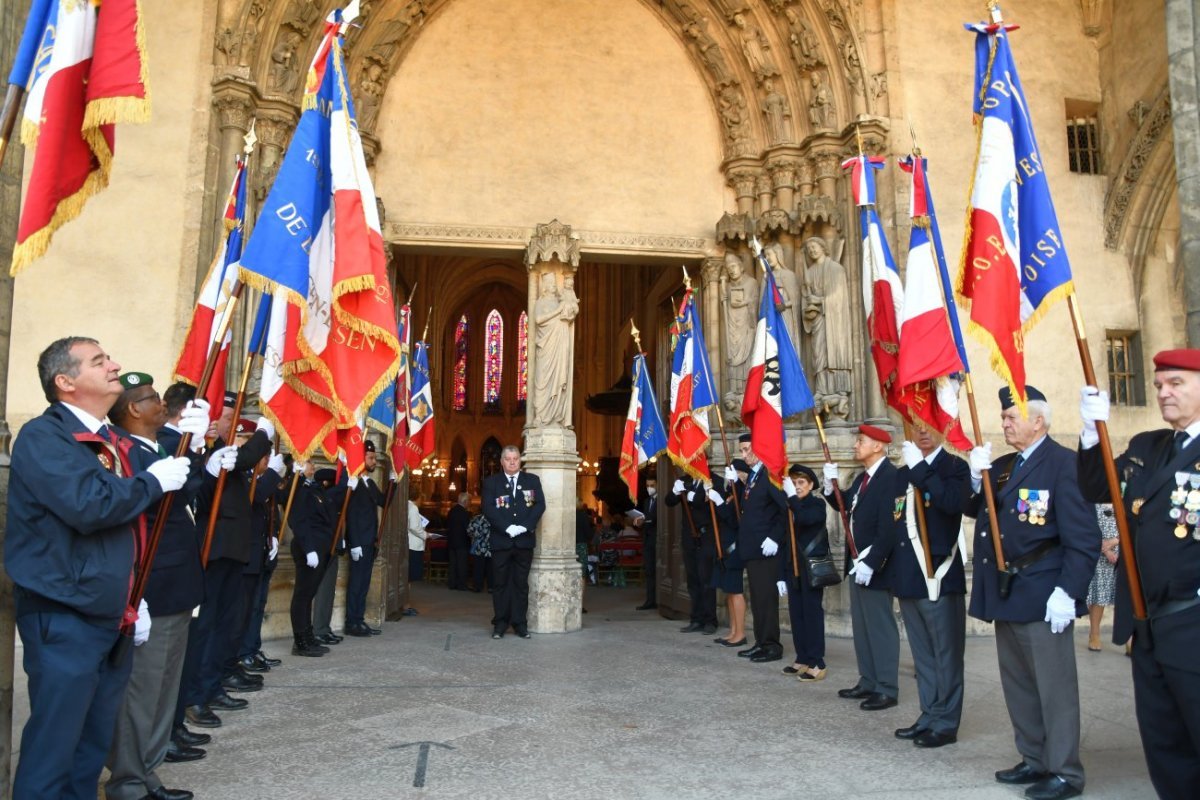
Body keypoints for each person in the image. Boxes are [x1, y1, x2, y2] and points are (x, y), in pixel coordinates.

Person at [5, 337, 191, 799]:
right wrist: (151, 482)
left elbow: (127, 528)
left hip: (109, 611)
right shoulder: (46, 436)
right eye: (99, 361)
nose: (115, 366)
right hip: (65, 612)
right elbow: (90, 505)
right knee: (55, 748)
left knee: (88, 749)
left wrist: (133, 597)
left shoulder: (110, 438)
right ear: (65, 382)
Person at [1077, 350, 1200, 800]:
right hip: (1146, 621)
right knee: (1164, 740)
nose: (1164, 393)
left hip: (1194, 617)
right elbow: (1097, 488)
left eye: (1176, 384)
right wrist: (1092, 437)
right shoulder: (1149, 446)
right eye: (1159, 386)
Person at [966, 386, 1098, 800]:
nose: (1004, 422)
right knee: (1019, 683)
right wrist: (976, 477)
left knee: (1054, 688)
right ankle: (1034, 758)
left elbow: (1084, 537)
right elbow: (980, 509)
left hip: (1044, 591)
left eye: (1011, 416)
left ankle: (1065, 772)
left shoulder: (1064, 465)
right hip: (1008, 591)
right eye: (1004, 416)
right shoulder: (1005, 465)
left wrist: (1068, 591)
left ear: (1038, 421)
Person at [104, 373, 209, 800]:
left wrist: (197, 451)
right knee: (142, 693)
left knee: (164, 691)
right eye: (151, 399)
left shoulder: (159, 448)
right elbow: (139, 515)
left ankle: (147, 774)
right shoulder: (124, 453)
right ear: (133, 409)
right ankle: (129, 782)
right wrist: (134, 593)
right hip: (153, 586)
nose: (161, 404)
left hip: (176, 584)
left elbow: (186, 493)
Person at [179, 413, 273, 728]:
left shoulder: (224, 450)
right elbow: (244, 459)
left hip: (233, 551)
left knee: (224, 625)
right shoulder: (206, 451)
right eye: (227, 418)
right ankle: (194, 696)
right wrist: (264, 430)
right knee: (205, 628)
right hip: (213, 550)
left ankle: (211, 686)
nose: (232, 425)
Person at [882, 427, 969, 748]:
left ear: (943, 428)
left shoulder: (955, 468)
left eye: (929, 425)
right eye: (916, 425)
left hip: (939, 577)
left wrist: (920, 469)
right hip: (909, 577)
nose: (922, 432)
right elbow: (896, 522)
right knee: (923, 657)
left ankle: (946, 723)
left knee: (946, 655)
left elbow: (950, 504)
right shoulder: (901, 474)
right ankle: (930, 714)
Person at [824, 424, 901, 711]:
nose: (856, 445)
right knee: (863, 626)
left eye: (861, 441)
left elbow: (892, 526)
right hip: (858, 564)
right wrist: (831, 488)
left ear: (878, 446)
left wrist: (873, 561)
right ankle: (868, 680)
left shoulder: (891, 478)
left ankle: (886, 687)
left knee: (880, 626)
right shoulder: (863, 478)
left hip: (875, 565)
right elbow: (847, 508)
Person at [730, 432, 786, 663]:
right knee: (757, 599)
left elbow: (785, 509)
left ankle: (772, 645)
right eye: (742, 451)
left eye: (748, 449)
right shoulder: (754, 476)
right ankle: (761, 642)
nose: (745, 455)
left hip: (766, 550)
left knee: (766, 600)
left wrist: (774, 537)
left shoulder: (770, 475)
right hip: (753, 550)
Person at [482, 445, 546, 638]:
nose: (512, 462)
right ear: (502, 462)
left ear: (520, 461)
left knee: (520, 584)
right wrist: (506, 527)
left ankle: (520, 623)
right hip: (501, 542)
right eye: (508, 459)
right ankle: (500, 623)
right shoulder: (491, 483)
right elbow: (488, 508)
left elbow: (539, 505)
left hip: (524, 542)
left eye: (515, 459)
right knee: (500, 584)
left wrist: (525, 526)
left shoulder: (532, 481)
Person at [781, 463, 829, 683]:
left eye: (801, 483)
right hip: (793, 568)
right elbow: (785, 542)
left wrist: (792, 499)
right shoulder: (789, 505)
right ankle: (802, 657)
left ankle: (817, 661)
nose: (797, 486)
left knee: (811, 614)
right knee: (797, 614)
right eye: (793, 482)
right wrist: (781, 575)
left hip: (811, 568)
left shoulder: (816, 504)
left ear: (811, 485)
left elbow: (806, 520)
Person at [334, 441, 386, 636]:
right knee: (356, 583)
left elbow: (383, 501)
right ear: (361, 458)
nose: (374, 461)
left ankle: (359, 619)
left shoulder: (369, 483)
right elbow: (351, 515)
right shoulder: (352, 482)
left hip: (370, 540)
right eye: (371, 458)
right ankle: (351, 622)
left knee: (364, 583)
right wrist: (354, 543)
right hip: (359, 541)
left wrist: (394, 481)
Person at [288, 464, 335, 657]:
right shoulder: (298, 489)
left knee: (309, 595)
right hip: (309, 547)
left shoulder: (314, 489)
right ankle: (300, 641)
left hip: (320, 547)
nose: (312, 466)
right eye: (307, 463)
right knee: (302, 595)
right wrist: (309, 549)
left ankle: (308, 637)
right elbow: (298, 520)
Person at [666, 471, 720, 635]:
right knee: (693, 579)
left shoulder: (713, 480)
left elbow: (707, 503)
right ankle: (696, 618)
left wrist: (691, 495)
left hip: (706, 536)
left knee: (706, 579)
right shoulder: (684, 480)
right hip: (689, 536)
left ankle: (710, 620)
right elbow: (668, 502)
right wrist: (675, 491)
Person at [711, 459, 748, 647]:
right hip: (724, 547)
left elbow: (735, 521)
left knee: (736, 591)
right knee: (729, 592)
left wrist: (719, 504)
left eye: (731, 471)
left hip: (734, 547)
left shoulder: (740, 493)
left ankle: (740, 633)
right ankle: (733, 630)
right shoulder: (730, 493)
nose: (728, 474)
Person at [1084, 504, 1118, 652]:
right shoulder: (1091, 502)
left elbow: (1132, 524)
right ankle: (1094, 633)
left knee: (1122, 596)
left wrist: (1115, 542)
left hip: (1122, 552)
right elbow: (1086, 526)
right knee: (1097, 594)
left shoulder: (1124, 499)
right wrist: (1105, 548)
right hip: (1095, 551)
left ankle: (1131, 638)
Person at [636, 476, 659, 610]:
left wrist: (645, 520)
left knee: (658, 571)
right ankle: (650, 600)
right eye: (647, 485)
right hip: (648, 539)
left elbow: (656, 518)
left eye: (652, 485)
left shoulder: (661, 501)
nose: (649, 488)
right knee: (649, 571)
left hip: (659, 539)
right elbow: (646, 517)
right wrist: (639, 521)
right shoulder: (646, 501)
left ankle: (659, 600)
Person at [446, 491, 472, 591]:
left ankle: (452, 584)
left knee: (453, 564)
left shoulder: (451, 511)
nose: (470, 503)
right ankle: (461, 585)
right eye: (469, 501)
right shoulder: (464, 513)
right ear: (465, 501)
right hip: (462, 542)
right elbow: (468, 529)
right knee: (462, 564)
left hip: (452, 541)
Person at [468, 510, 492, 592]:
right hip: (490, 547)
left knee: (478, 567)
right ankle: (491, 587)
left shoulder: (476, 518)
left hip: (479, 547)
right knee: (491, 568)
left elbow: (469, 530)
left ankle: (477, 586)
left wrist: (476, 536)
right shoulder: (494, 518)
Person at [408, 492, 428, 585]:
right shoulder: (413, 508)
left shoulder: (407, 505)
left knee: (408, 575)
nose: (422, 501)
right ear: (417, 497)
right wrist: (425, 534)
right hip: (414, 545)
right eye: (421, 498)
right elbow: (414, 527)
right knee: (410, 575)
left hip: (409, 543)